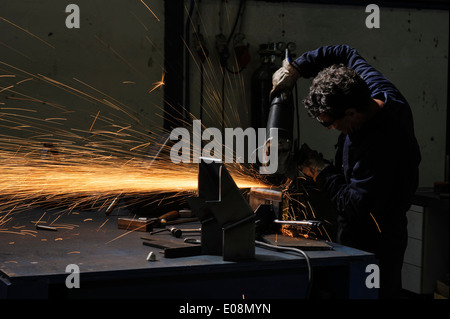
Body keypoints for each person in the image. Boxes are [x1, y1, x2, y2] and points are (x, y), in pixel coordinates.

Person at [271, 44, 421, 298]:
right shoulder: (370, 88)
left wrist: (320, 171)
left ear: (351, 112)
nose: (330, 129)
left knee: (369, 293)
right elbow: (344, 52)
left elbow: (355, 205)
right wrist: (297, 68)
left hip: (377, 237)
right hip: (359, 222)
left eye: (330, 123)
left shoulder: (380, 145)